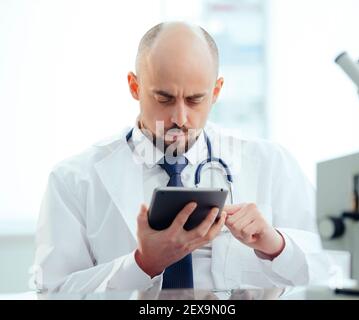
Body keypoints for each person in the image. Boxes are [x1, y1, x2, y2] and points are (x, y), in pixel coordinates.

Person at [31, 22, 330, 294]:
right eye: (164, 98)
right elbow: (53, 292)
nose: (179, 117)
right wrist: (143, 264)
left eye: (194, 99)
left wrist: (275, 245)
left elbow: (329, 272)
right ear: (135, 87)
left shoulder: (270, 164)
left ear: (216, 91)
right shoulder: (73, 180)